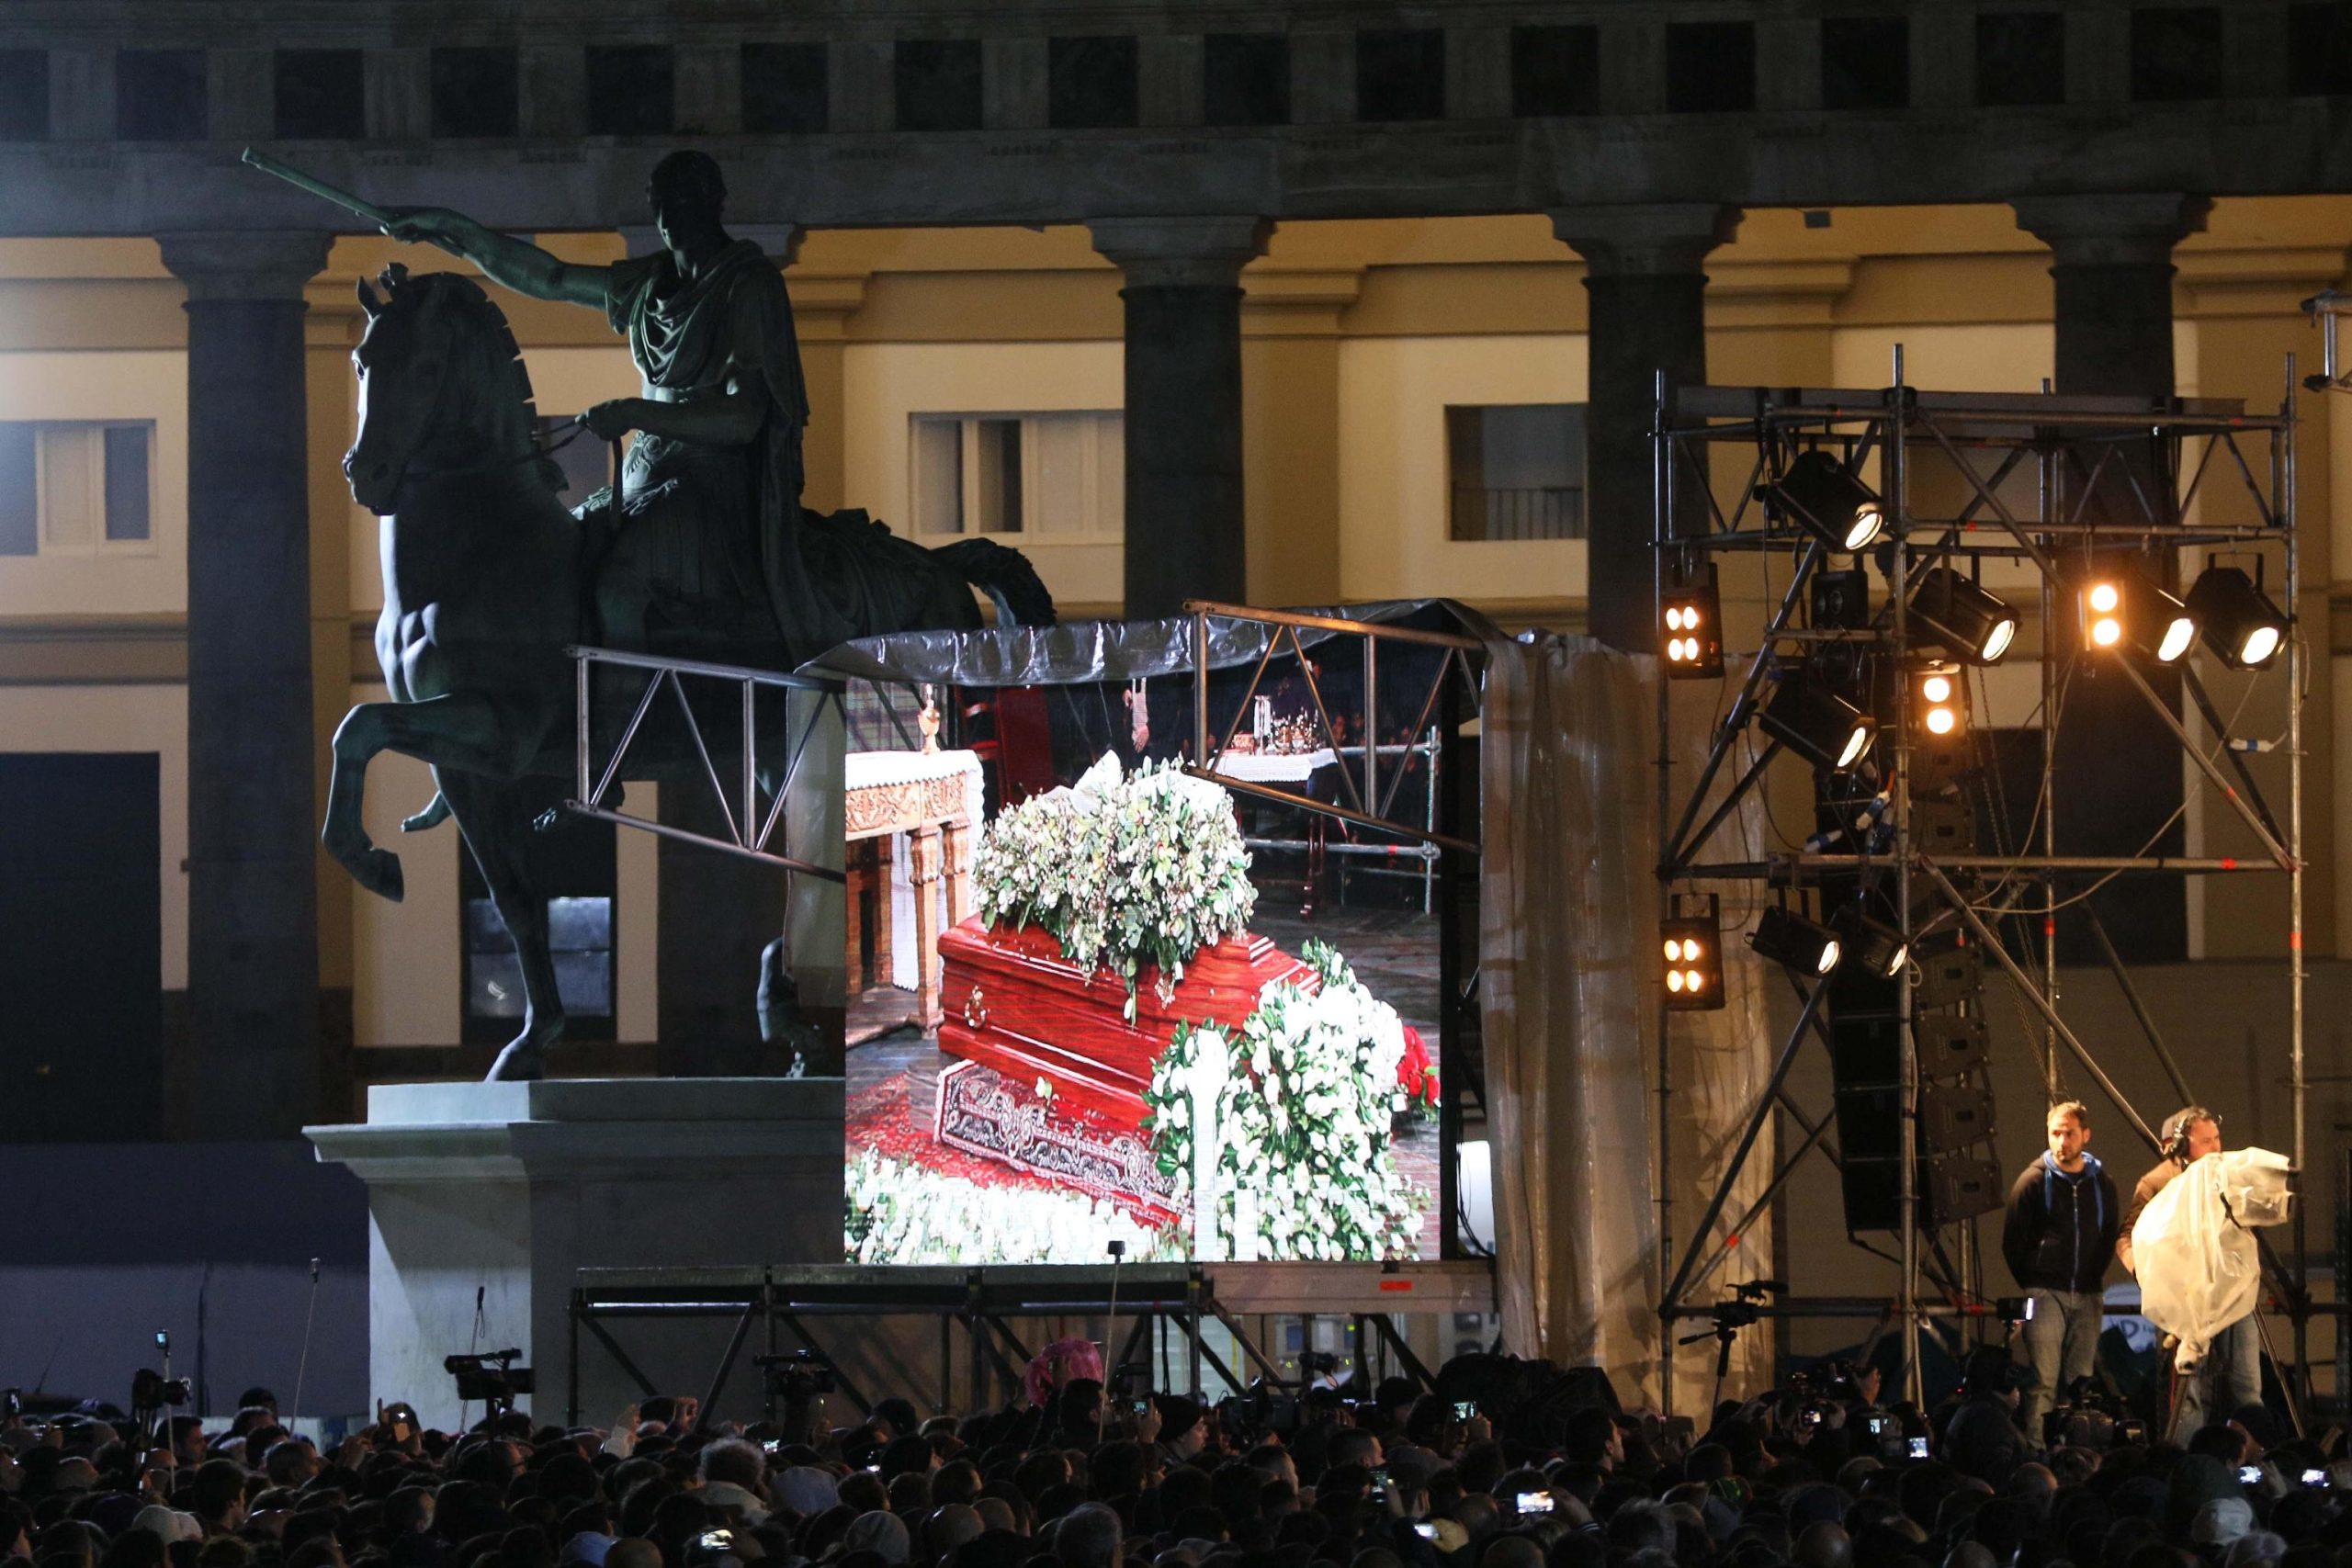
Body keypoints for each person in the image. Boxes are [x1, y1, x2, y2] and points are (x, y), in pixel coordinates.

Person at [379, 152, 875, 666]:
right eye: (658, 204)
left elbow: (744, 418)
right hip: (643, 480)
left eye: (681, 201)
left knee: (618, 590)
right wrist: (455, 232)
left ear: (715, 203)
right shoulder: (651, 284)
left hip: (712, 488)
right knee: (554, 558)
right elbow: (550, 279)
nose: (667, 217)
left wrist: (637, 413)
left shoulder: (748, 286)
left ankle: (621, 722)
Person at [2119, 1104, 2261, 1436]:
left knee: (2247, 1382)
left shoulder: (2227, 1177)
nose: (2216, 1148)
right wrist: (2148, 1276)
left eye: (2217, 1139)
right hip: (2182, 1301)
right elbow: (2127, 1236)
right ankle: (2187, 1458)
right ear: (2182, 1147)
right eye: (2205, 1141)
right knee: (2187, 1391)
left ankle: (2253, 1456)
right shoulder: (2157, 1183)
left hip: (2233, 1294)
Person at [2000, 1100, 2120, 1438]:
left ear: (2085, 1135)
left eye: (2069, 1133)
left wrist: (2092, 1276)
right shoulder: (2033, 1181)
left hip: (2087, 1292)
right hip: (2046, 1291)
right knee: (2043, 1379)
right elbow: (2013, 1241)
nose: (2062, 1141)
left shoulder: (2102, 1184)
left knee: (2080, 1381)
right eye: (2055, 1133)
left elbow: (2108, 1234)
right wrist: (2035, 1282)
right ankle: (2039, 1448)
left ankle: (2076, 1449)